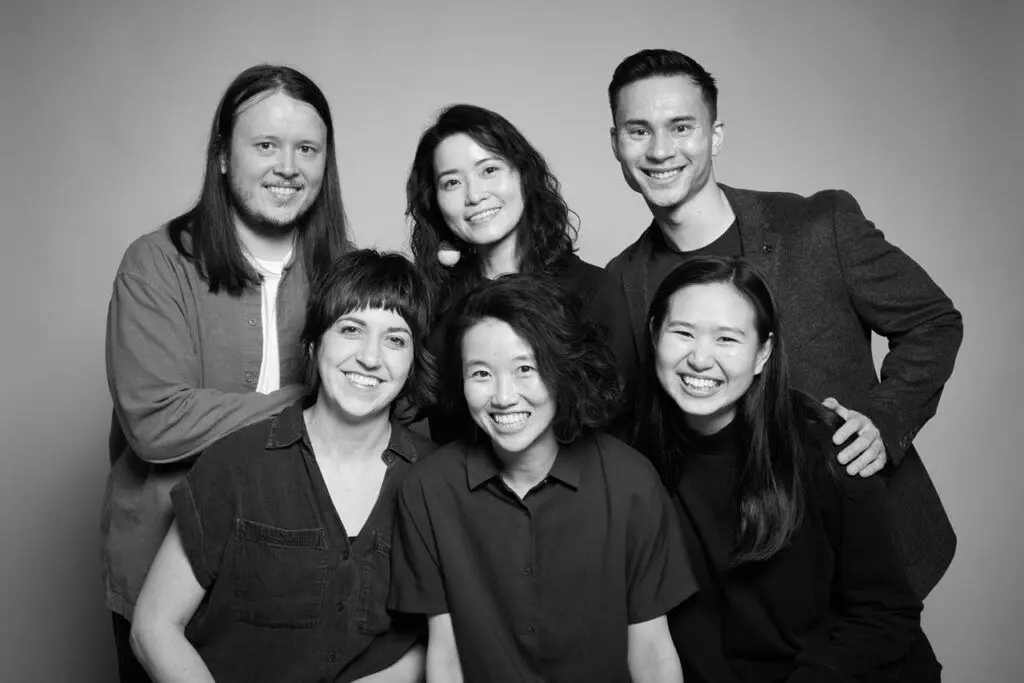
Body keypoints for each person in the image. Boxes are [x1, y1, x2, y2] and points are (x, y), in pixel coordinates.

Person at [605, 49, 962, 597]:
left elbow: (933, 321)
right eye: (638, 130)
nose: (659, 150)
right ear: (616, 145)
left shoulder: (818, 226)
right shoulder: (622, 284)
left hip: (862, 549)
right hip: (734, 577)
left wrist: (885, 422)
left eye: (681, 127)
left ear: (715, 135)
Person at [102, 64, 351, 680]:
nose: (288, 166)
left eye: (307, 149)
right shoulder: (156, 264)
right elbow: (157, 423)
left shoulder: (343, 273)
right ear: (221, 156)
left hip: (291, 587)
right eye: (265, 145)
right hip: (161, 584)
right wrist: (313, 399)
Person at [129, 250, 436, 683]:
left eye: (395, 339)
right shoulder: (234, 464)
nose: (370, 357)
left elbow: (454, 631)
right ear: (313, 344)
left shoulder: (437, 481)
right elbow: (153, 628)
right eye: (351, 329)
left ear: (413, 361)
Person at [638, 255, 941, 682]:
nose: (700, 359)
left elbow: (885, 614)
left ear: (763, 353)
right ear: (654, 335)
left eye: (727, 339)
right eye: (682, 333)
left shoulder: (827, 447)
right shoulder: (635, 460)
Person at [389, 274, 693, 683]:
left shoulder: (632, 484)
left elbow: (653, 653)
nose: (503, 396)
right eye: (481, 374)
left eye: (525, 368)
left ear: (563, 369)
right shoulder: (429, 489)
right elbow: (446, 657)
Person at [407, 103, 636, 442]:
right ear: (435, 200)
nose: (474, 195)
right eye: (452, 182)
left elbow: (620, 428)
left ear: (523, 175)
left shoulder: (592, 290)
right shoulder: (432, 300)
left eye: (489, 170)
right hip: (455, 492)